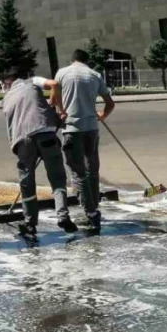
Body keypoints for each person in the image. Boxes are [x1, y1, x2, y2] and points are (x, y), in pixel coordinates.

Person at [1, 69, 78, 237]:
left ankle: (30, 224)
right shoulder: (32, 81)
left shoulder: (6, 98)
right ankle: (63, 216)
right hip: (46, 133)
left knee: (27, 183)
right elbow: (54, 84)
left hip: (23, 140)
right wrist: (56, 107)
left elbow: (10, 126)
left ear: (7, 83)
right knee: (58, 178)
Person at [56, 49, 116, 233]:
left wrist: (59, 111)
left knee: (77, 171)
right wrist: (102, 116)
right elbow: (110, 103)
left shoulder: (62, 73)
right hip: (91, 128)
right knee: (92, 169)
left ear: (72, 60)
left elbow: (54, 98)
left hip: (72, 128)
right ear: (86, 61)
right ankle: (94, 206)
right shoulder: (95, 75)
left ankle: (91, 212)